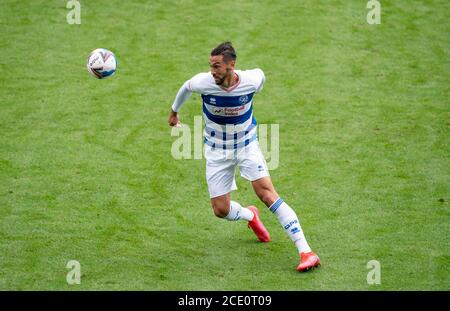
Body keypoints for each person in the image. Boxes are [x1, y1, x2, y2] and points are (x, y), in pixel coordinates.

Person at [168, 42, 320, 272]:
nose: (213, 71)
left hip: (247, 146)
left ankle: (306, 252)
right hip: (217, 151)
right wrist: (174, 111)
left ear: (231, 65)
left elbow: (262, 76)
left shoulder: (251, 80)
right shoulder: (204, 82)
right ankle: (250, 215)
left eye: (217, 66)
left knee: (267, 193)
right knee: (221, 210)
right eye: (211, 66)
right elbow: (186, 87)